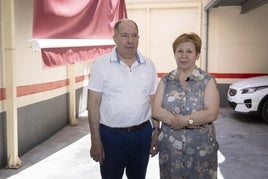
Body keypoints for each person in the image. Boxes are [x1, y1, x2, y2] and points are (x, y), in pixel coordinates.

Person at [87, 19, 160, 179]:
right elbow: (93, 104)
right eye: (125, 35)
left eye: (134, 36)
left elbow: (153, 100)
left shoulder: (149, 65)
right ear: (115, 38)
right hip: (111, 136)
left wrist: (155, 131)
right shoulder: (102, 64)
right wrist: (95, 139)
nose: (130, 41)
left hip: (142, 134)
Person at [152, 32, 220, 179]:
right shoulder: (165, 80)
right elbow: (156, 110)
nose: (184, 55)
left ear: (197, 55)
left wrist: (186, 120)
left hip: (200, 149)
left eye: (189, 51)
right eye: (179, 51)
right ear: (174, 54)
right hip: (170, 151)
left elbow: (212, 113)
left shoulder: (207, 81)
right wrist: (175, 121)